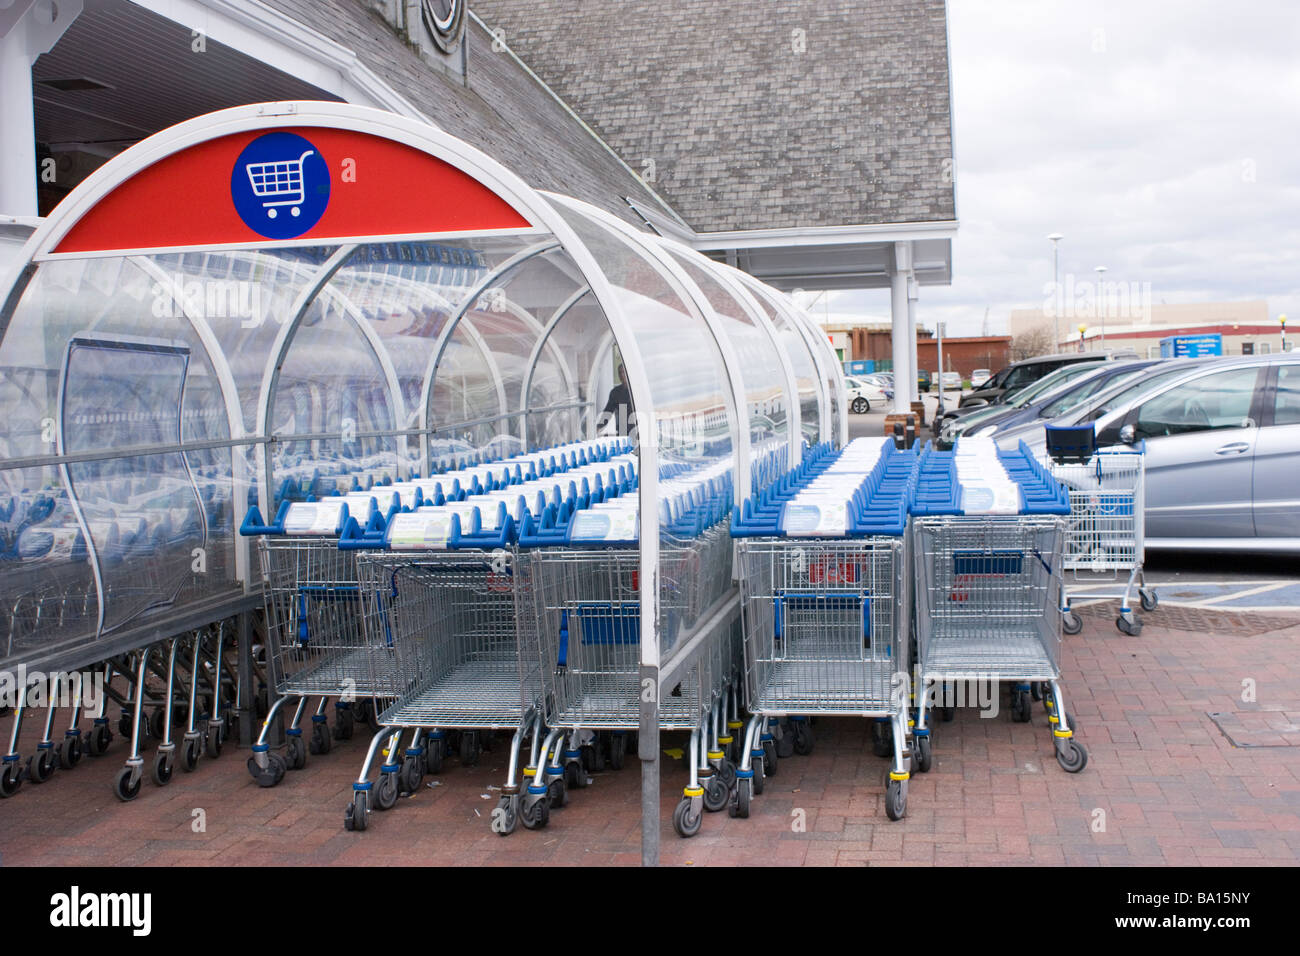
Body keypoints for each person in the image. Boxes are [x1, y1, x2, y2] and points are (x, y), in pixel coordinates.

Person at [597, 362, 636, 436]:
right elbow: (608, 411)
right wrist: (598, 427)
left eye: (623, 372)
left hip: (636, 431)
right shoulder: (615, 392)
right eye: (620, 372)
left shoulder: (636, 390)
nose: (622, 375)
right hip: (622, 432)